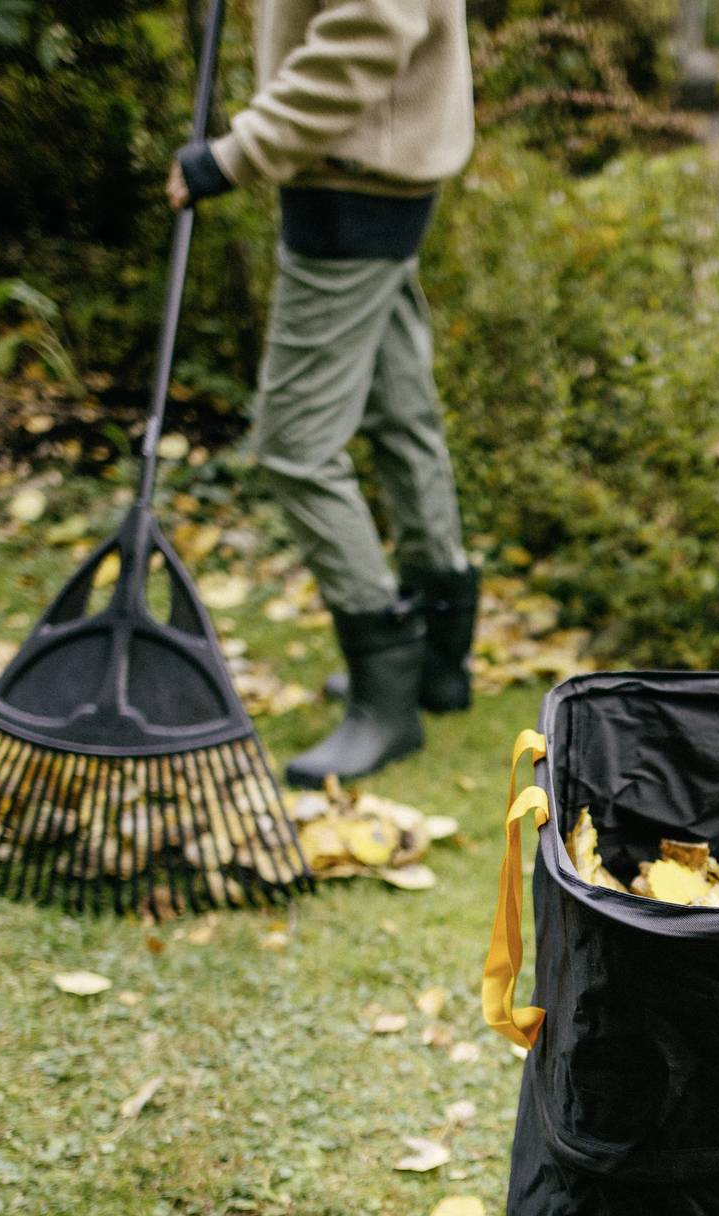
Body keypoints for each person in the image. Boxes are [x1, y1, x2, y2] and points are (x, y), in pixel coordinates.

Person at [167, 0, 477, 785]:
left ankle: (387, 695)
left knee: (293, 446)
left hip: (351, 177)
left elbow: (370, 27)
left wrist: (234, 155)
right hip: (378, 168)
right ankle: (439, 661)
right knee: (401, 413)